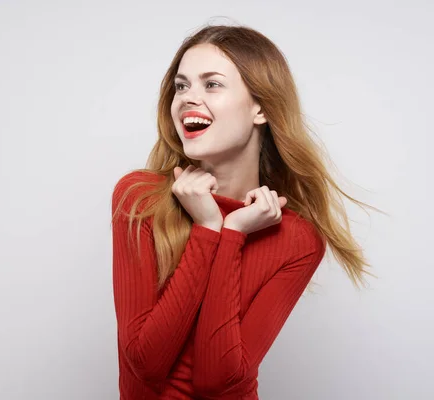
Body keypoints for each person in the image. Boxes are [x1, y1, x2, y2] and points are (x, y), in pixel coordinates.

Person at [110, 23, 379, 400]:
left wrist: (230, 234)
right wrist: (207, 228)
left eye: (212, 84)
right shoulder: (140, 198)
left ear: (261, 108)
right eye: (182, 85)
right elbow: (145, 363)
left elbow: (216, 379)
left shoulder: (297, 238)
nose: (188, 98)